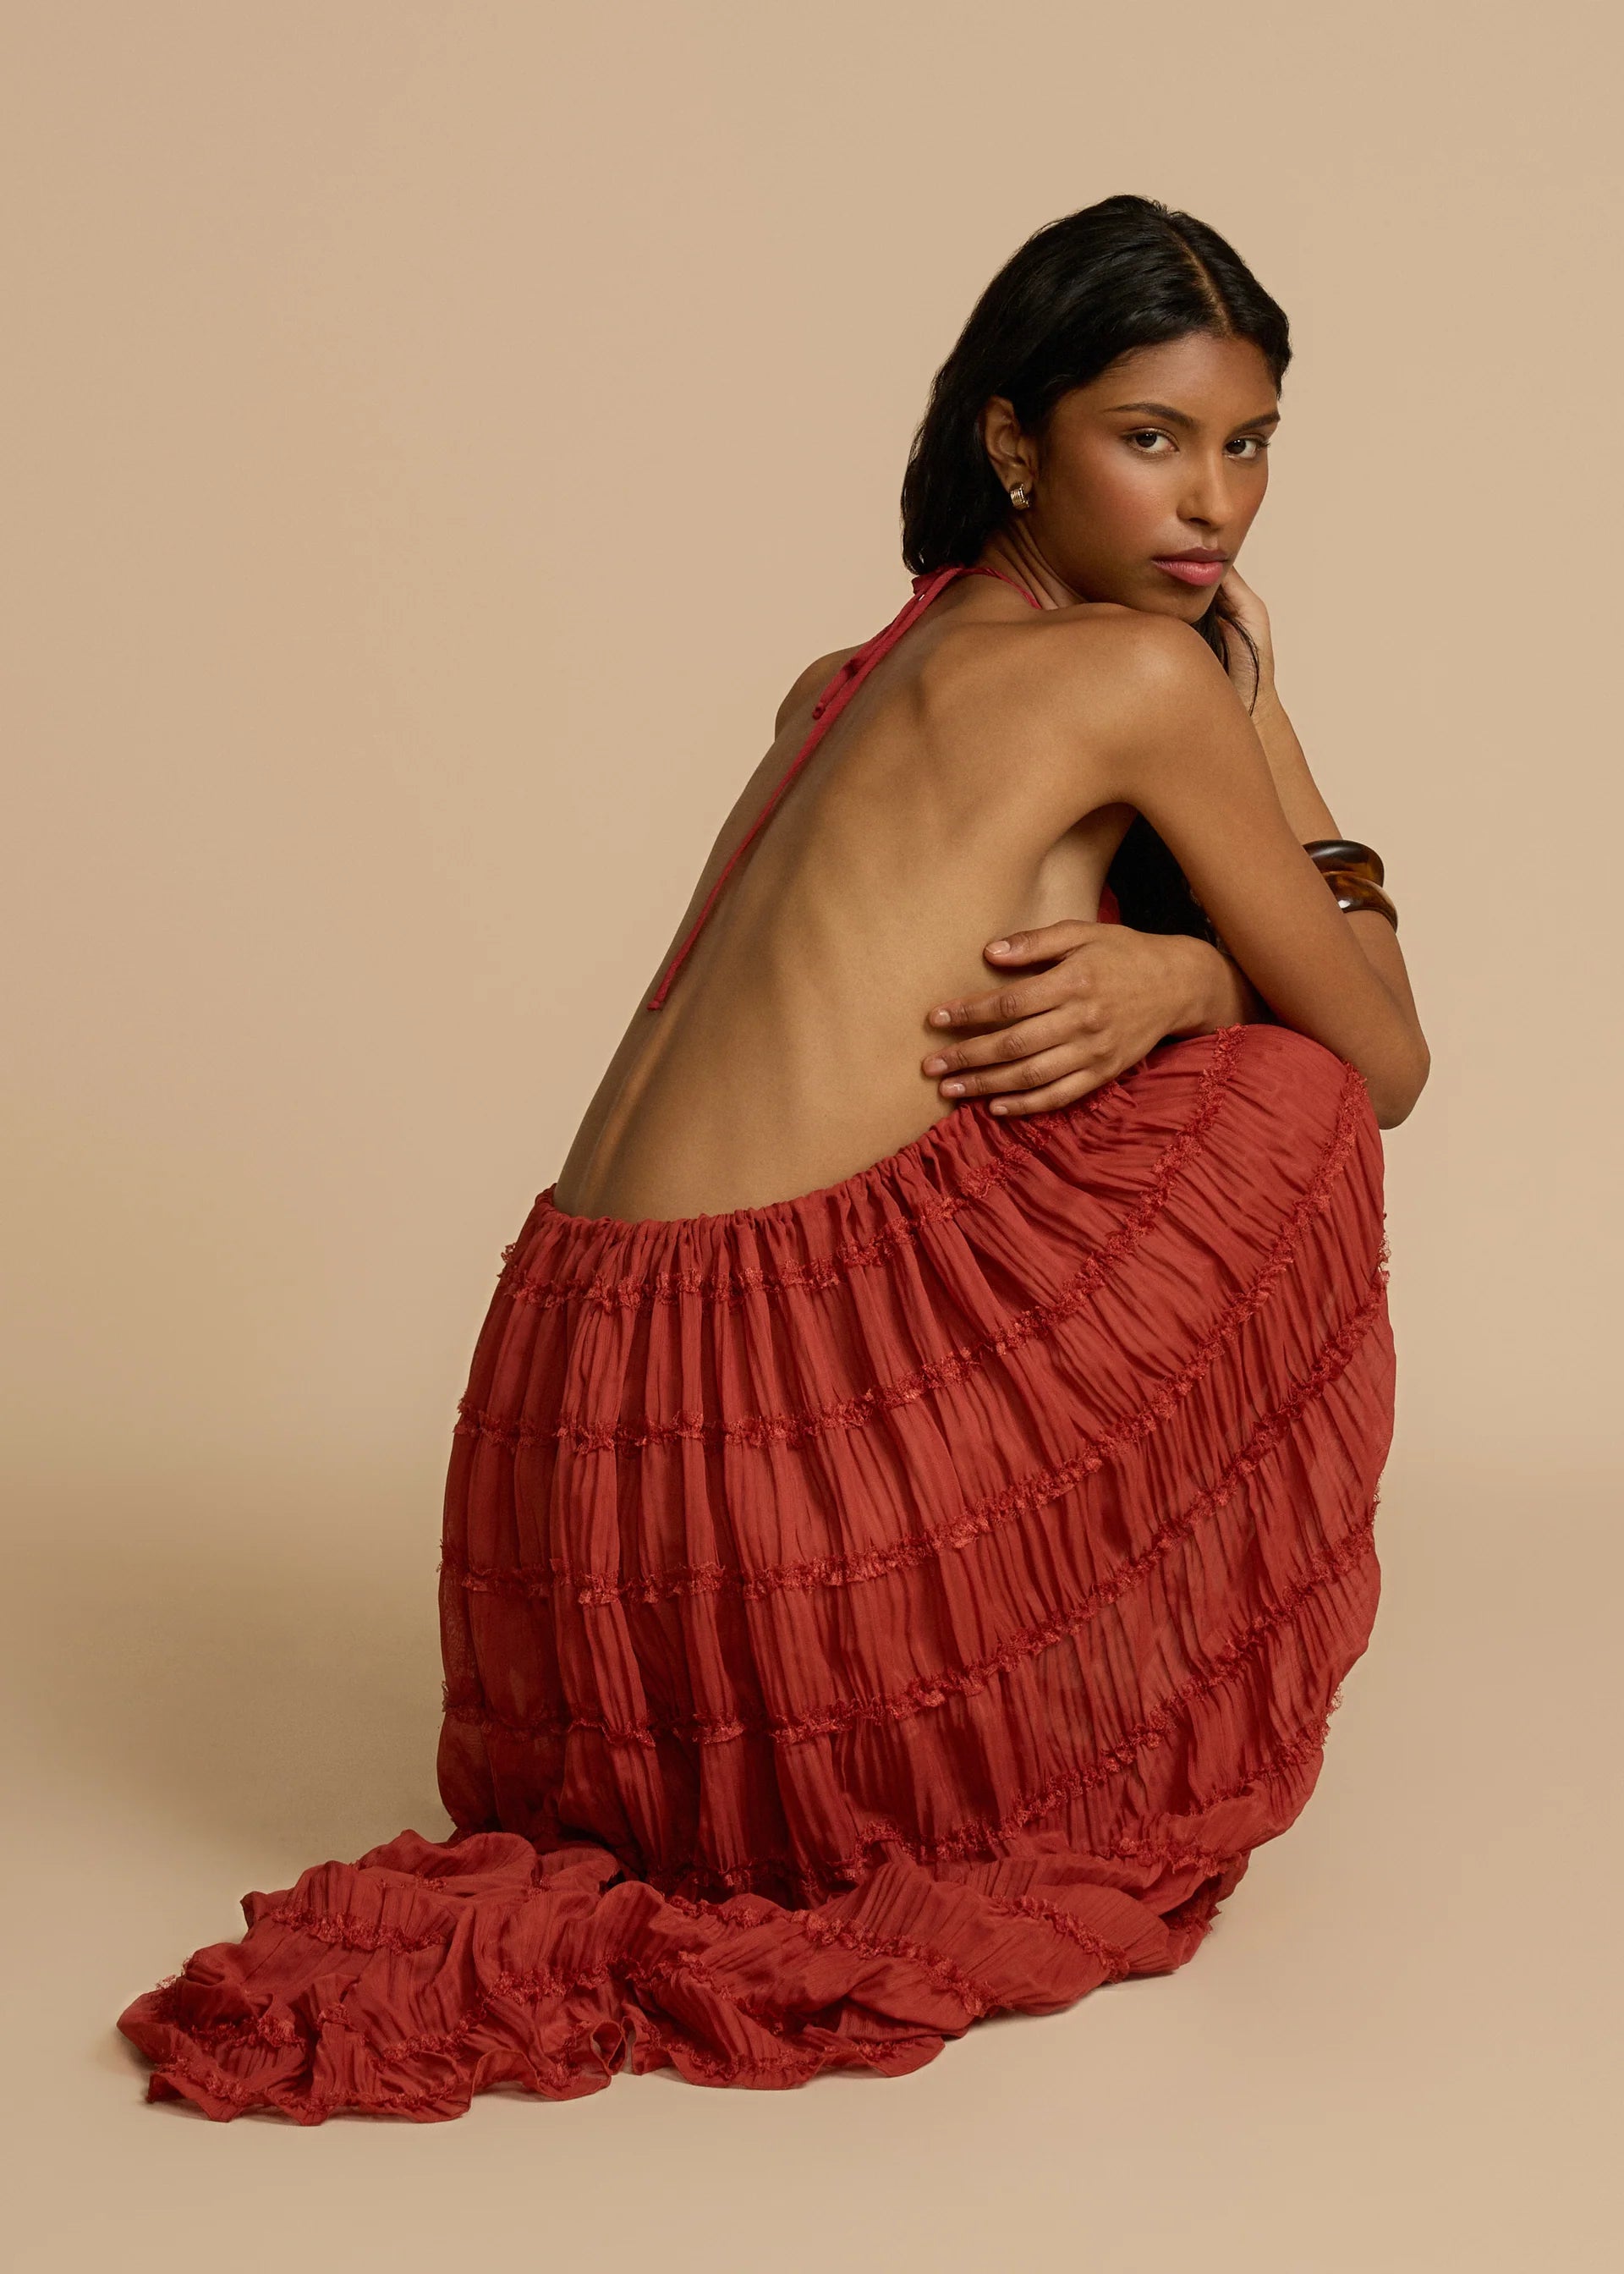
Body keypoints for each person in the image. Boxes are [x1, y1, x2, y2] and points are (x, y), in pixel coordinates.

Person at [118, 195, 1428, 2122]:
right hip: (752, 1518)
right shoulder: (1143, 682)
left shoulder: (844, 679)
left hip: (563, 1498)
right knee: (1286, 1105)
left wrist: (1177, 972)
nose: (1212, 504)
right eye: (1149, 439)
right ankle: (977, 1743)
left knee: (1170, 1060)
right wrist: (1255, 772)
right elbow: (1385, 1060)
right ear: (1014, 440)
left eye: (1250, 446)